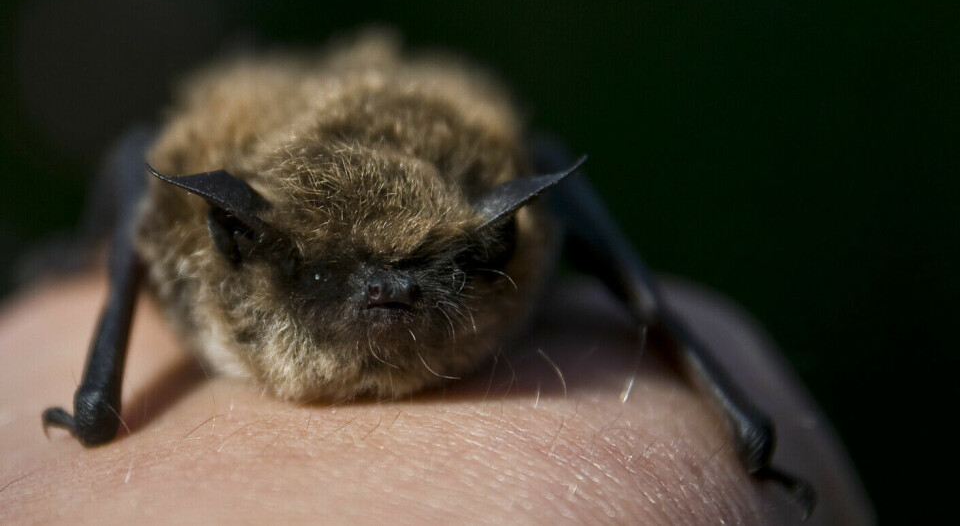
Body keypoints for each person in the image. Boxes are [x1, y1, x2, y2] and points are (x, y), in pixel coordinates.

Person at [0, 272, 872, 524]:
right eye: (337, 275)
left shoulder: (520, 239)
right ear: (233, 239)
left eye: (427, 267)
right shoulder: (188, 242)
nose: (387, 298)